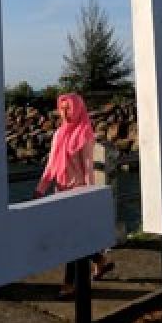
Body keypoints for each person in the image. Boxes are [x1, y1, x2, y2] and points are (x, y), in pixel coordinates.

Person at [33, 92, 114, 298]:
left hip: (78, 192)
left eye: (69, 107)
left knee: (71, 240)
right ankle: (100, 260)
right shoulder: (59, 134)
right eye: (62, 108)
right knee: (70, 237)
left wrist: (90, 194)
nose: (65, 112)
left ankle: (70, 284)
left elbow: (88, 167)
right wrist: (40, 188)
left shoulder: (85, 133)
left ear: (78, 108)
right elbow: (51, 164)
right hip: (60, 191)